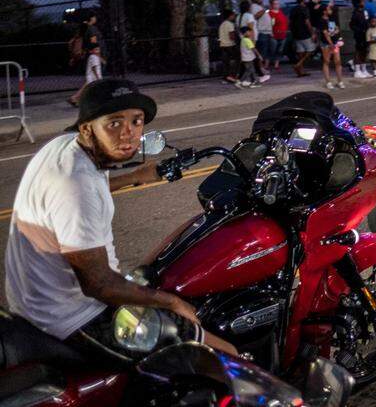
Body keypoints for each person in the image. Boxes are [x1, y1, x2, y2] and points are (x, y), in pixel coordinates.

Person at [6, 78, 237, 358]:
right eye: (114, 123)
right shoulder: (75, 184)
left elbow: (88, 193)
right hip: (73, 316)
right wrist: (172, 304)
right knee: (224, 354)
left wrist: (135, 177)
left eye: (136, 121)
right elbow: (99, 285)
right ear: (87, 127)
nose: (128, 133)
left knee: (156, 271)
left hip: (34, 299)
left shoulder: (66, 147)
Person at [68, 14, 103, 107]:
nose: (95, 18)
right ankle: (76, 98)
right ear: (91, 18)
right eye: (94, 16)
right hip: (93, 55)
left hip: (88, 55)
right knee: (93, 79)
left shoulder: (84, 29)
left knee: (90, 80)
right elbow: (94, 43)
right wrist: (99, 55)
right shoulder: (92, 29)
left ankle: (76, 98)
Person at [319, 3, 345, 90]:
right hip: (326, 44)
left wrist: (336, 35)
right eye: (328, 8)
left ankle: (340, 81)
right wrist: (331, 44)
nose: (330, 10)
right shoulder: (322, 21)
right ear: (324, 11)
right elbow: (326, 34)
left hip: (335, 43)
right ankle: (328, 82)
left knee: (338, 61)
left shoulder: (331, 19)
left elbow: (336, 29)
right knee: (327, 61)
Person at [289, 0, 316, 77]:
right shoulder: (304, 9)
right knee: (311, 50)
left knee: (300, 52)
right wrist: (312, 33)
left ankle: (300, 72)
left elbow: (290, 22)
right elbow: (307, 22)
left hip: (296, 34)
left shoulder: (293, 9)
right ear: (303, 0)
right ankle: (298, 64)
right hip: (305, 33)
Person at [350, 0, 371, 79]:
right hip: (359, 35)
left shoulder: (364, 11)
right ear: (358, 3)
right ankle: (357, 70)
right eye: (362, 1)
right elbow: (352, 25)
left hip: (366, 34)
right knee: (358, 51)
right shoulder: (355, 13)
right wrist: (359, 31)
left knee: (364, 52)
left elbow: (367, 21)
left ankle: (364, 69)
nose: (364, 3)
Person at [217, 9, 239, 84]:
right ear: (230, 16)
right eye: (233, 15)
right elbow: (231, 36)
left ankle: (225, 77)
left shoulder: (222, 24)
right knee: (236, 60)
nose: (234, 17)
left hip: (223, 45)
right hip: (230, 45)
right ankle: (232, 76)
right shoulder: (230, 24)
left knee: (226, 62)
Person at [267, 0, 288, 71]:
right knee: (272, 50)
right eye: (275, 4)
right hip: (274, 35)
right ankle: (266, 65)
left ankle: (276, 64)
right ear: (271, 5)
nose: (277, 5)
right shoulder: (269, 13)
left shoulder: (280, 12)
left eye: (278, 4)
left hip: (283, 35)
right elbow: (269, 24)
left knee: (280, 50)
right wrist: (271, 33)